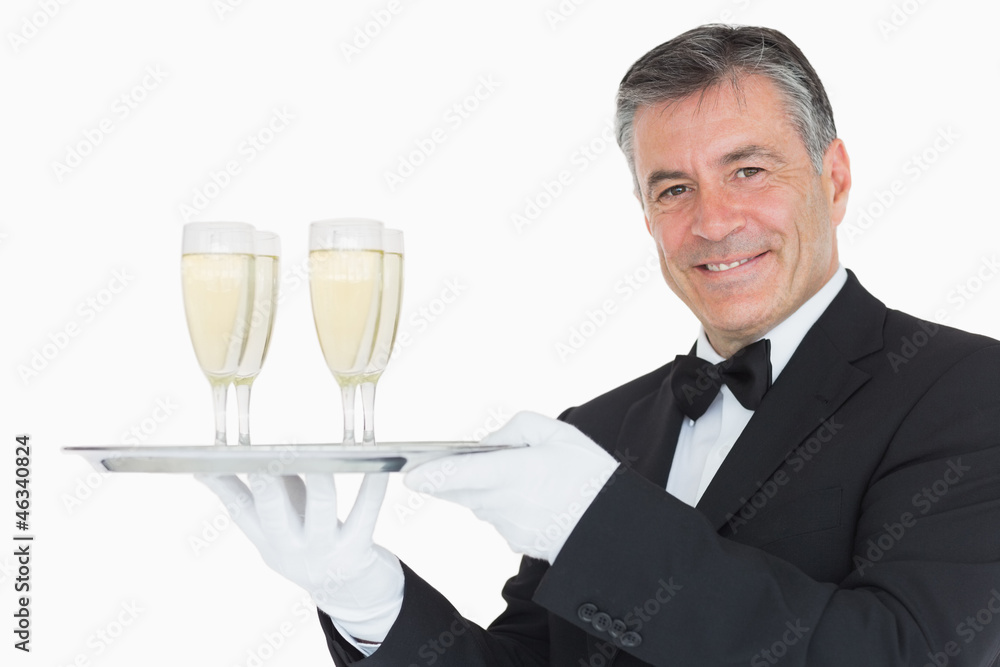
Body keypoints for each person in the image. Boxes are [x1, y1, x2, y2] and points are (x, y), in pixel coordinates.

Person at [199, 24, 1000, 666]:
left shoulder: (966, 390)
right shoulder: (597, 429)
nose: (714, 221)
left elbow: (907, 653)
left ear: (834, 180)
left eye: (749, 170)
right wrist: (369, 600)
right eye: (674, 188)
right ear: (645, 214)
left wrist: (594, 524)